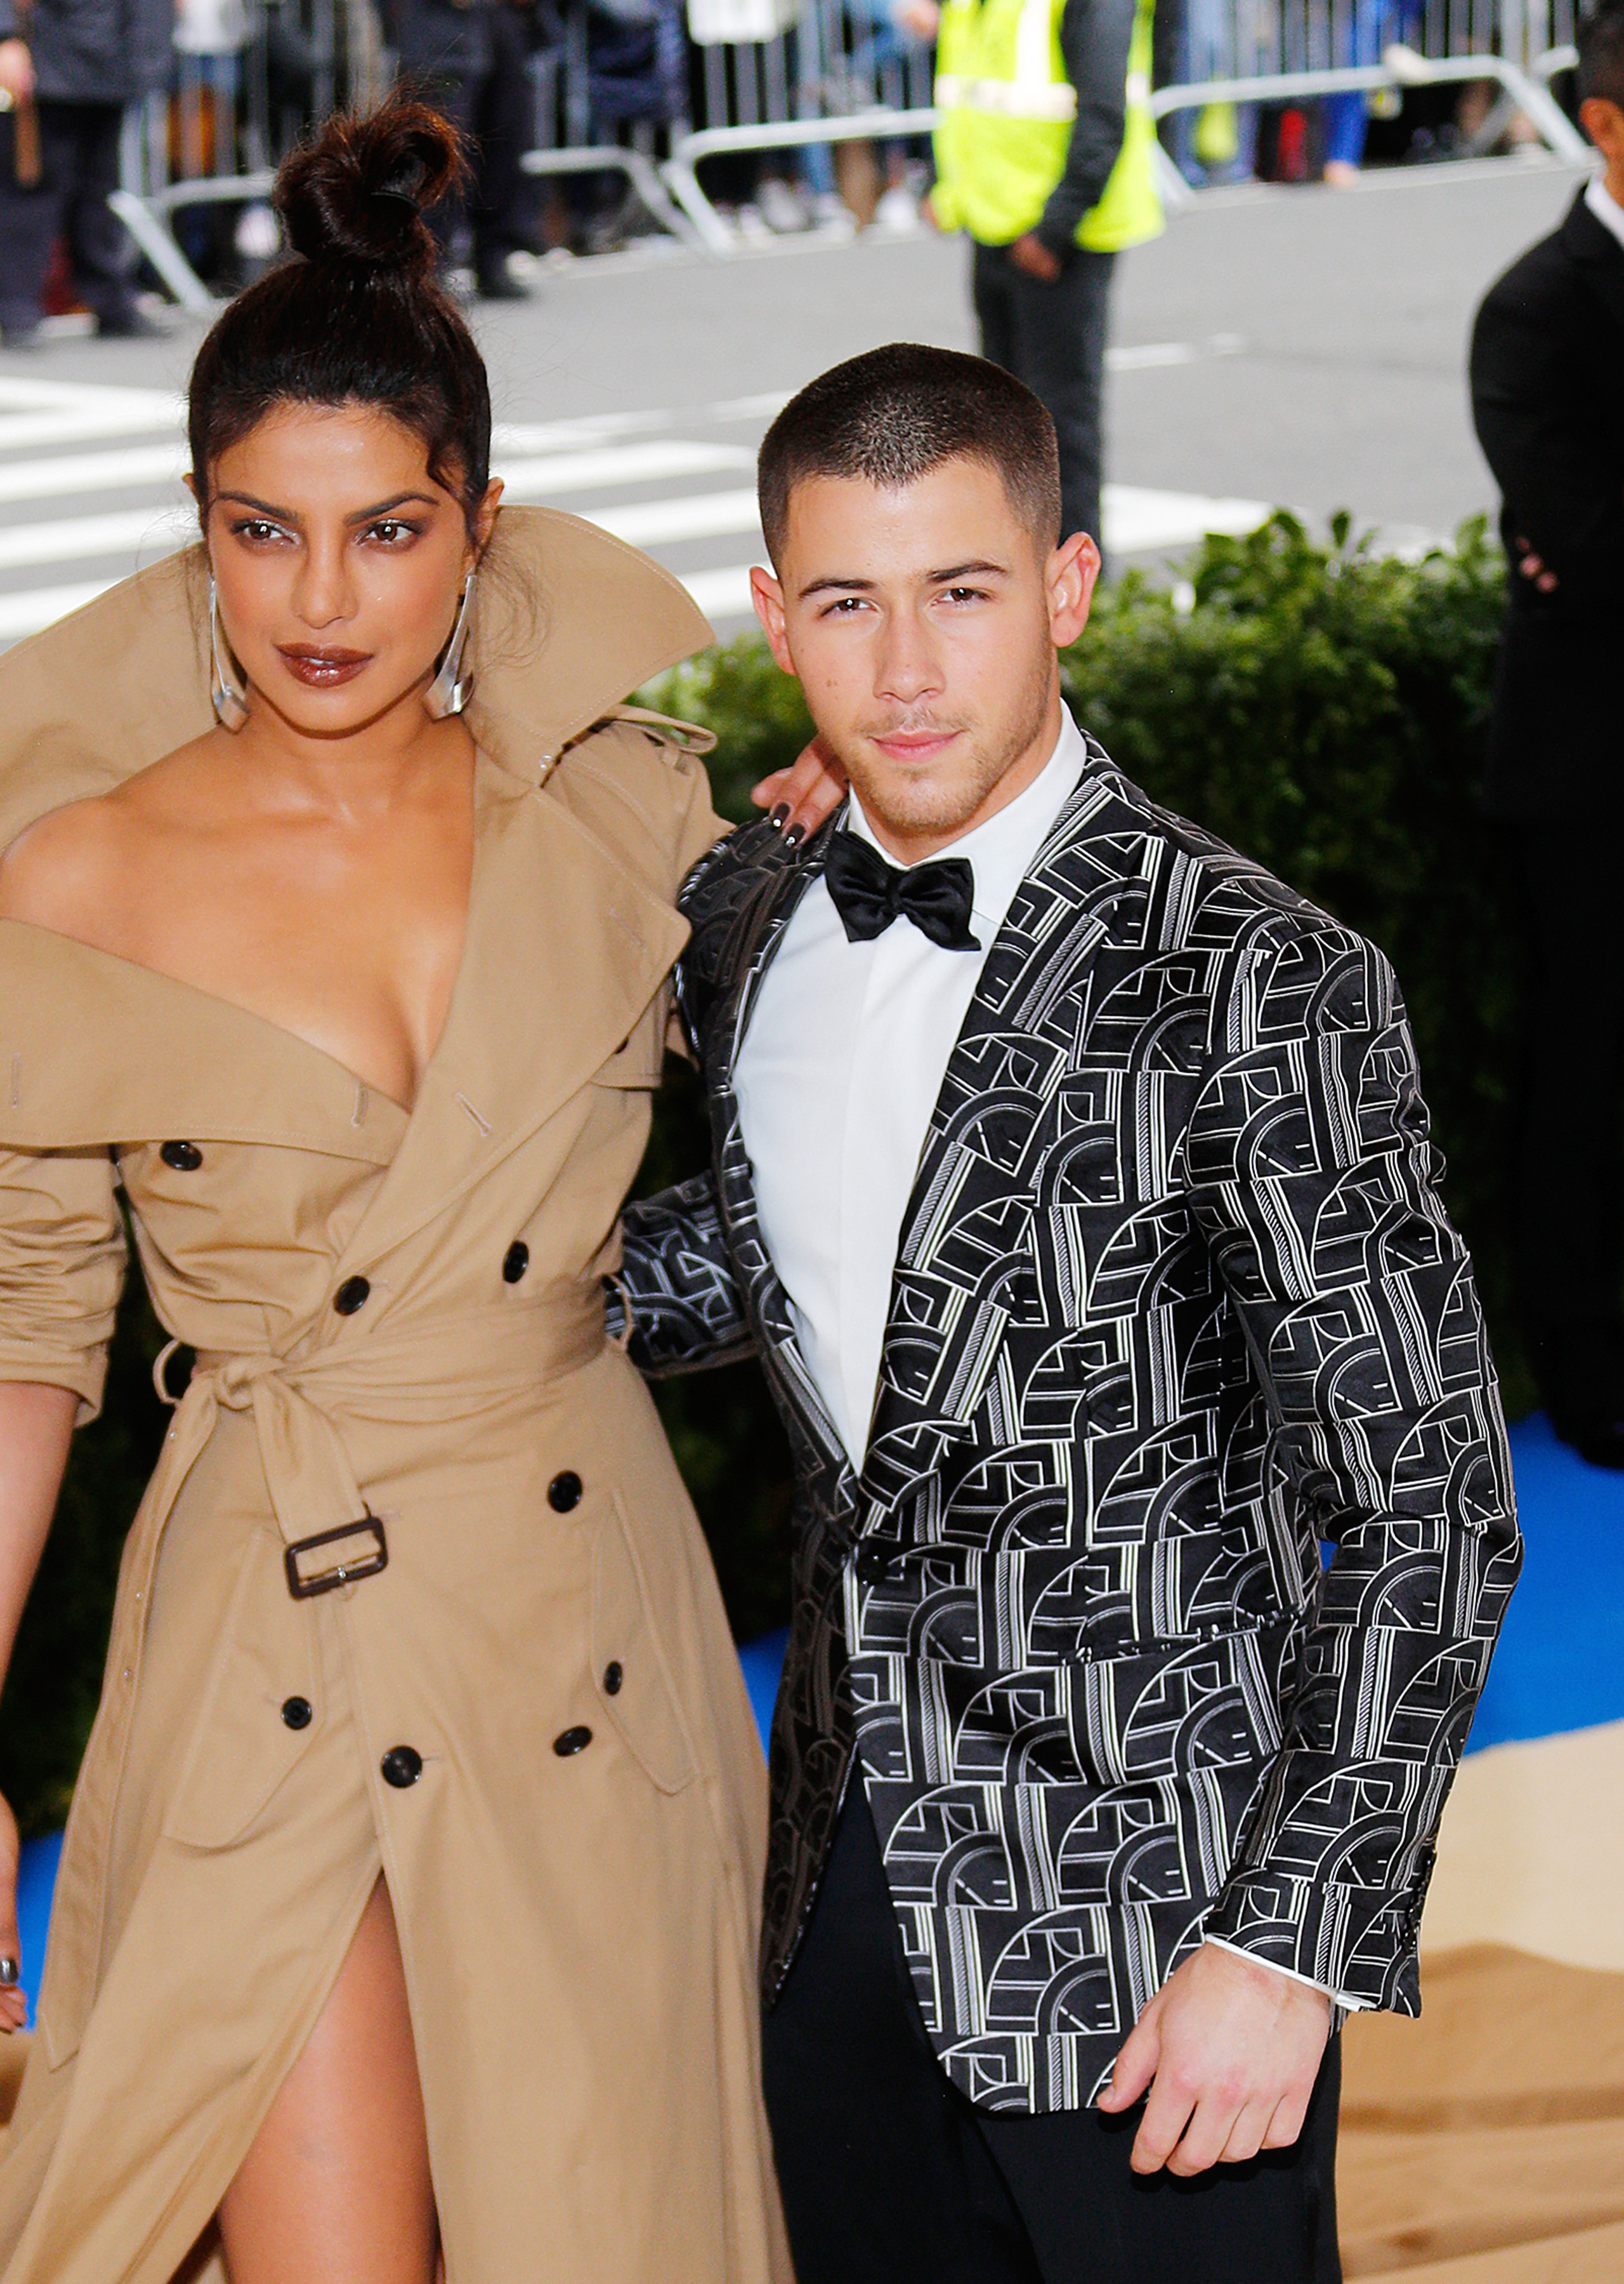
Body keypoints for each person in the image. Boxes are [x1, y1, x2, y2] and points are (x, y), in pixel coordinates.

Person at [0, 100, 822, 2284]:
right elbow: (17, 1338)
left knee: (603, 2234)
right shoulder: (71, 881)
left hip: (580, 1617)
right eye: (262, 535)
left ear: (478, 531)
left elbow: (848, 1129)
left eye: (385, 533)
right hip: (268, 1614)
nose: (323, 599)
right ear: (197, 531)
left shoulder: (619, 818)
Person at [615, 343, 1521, 2284]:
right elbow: (794, 1265)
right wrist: (476, 1302)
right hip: (837, 1908)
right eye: (846, 605)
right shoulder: (748, 912)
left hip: (1162, 1921)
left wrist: (1284, 1944)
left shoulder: (1259, 978)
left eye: (961, 591)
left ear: (1067, 587)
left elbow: (1435, 1508)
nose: (906, 672)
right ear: (772, 618)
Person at [1469, 1, 1624, 1469]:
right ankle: (1587, 1365)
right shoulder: (1535, 310)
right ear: (1606, 125)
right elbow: (1594, 540)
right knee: (1588, 1066)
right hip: (1593, 776)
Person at [915, 0, 1163, 552]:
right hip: (995, 223)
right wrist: (943, 185)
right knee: (1002, 421)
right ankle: (1017, 578)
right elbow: (966, 91)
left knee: (1057, 425)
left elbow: (1103, 110)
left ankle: (1077, 586)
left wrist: (1057, 227)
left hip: (1056, 238)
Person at [0, 0, 173, 346]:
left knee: (98, 193)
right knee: (28, 190)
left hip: (110, 62)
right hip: (44, 55)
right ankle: (19, 308)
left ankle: (109, 300)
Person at [388, 0, 542, 298]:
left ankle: (494, 255)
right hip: (438, 26)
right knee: (439, 148)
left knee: (506, 134)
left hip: (498, 17)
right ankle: (427, 265)